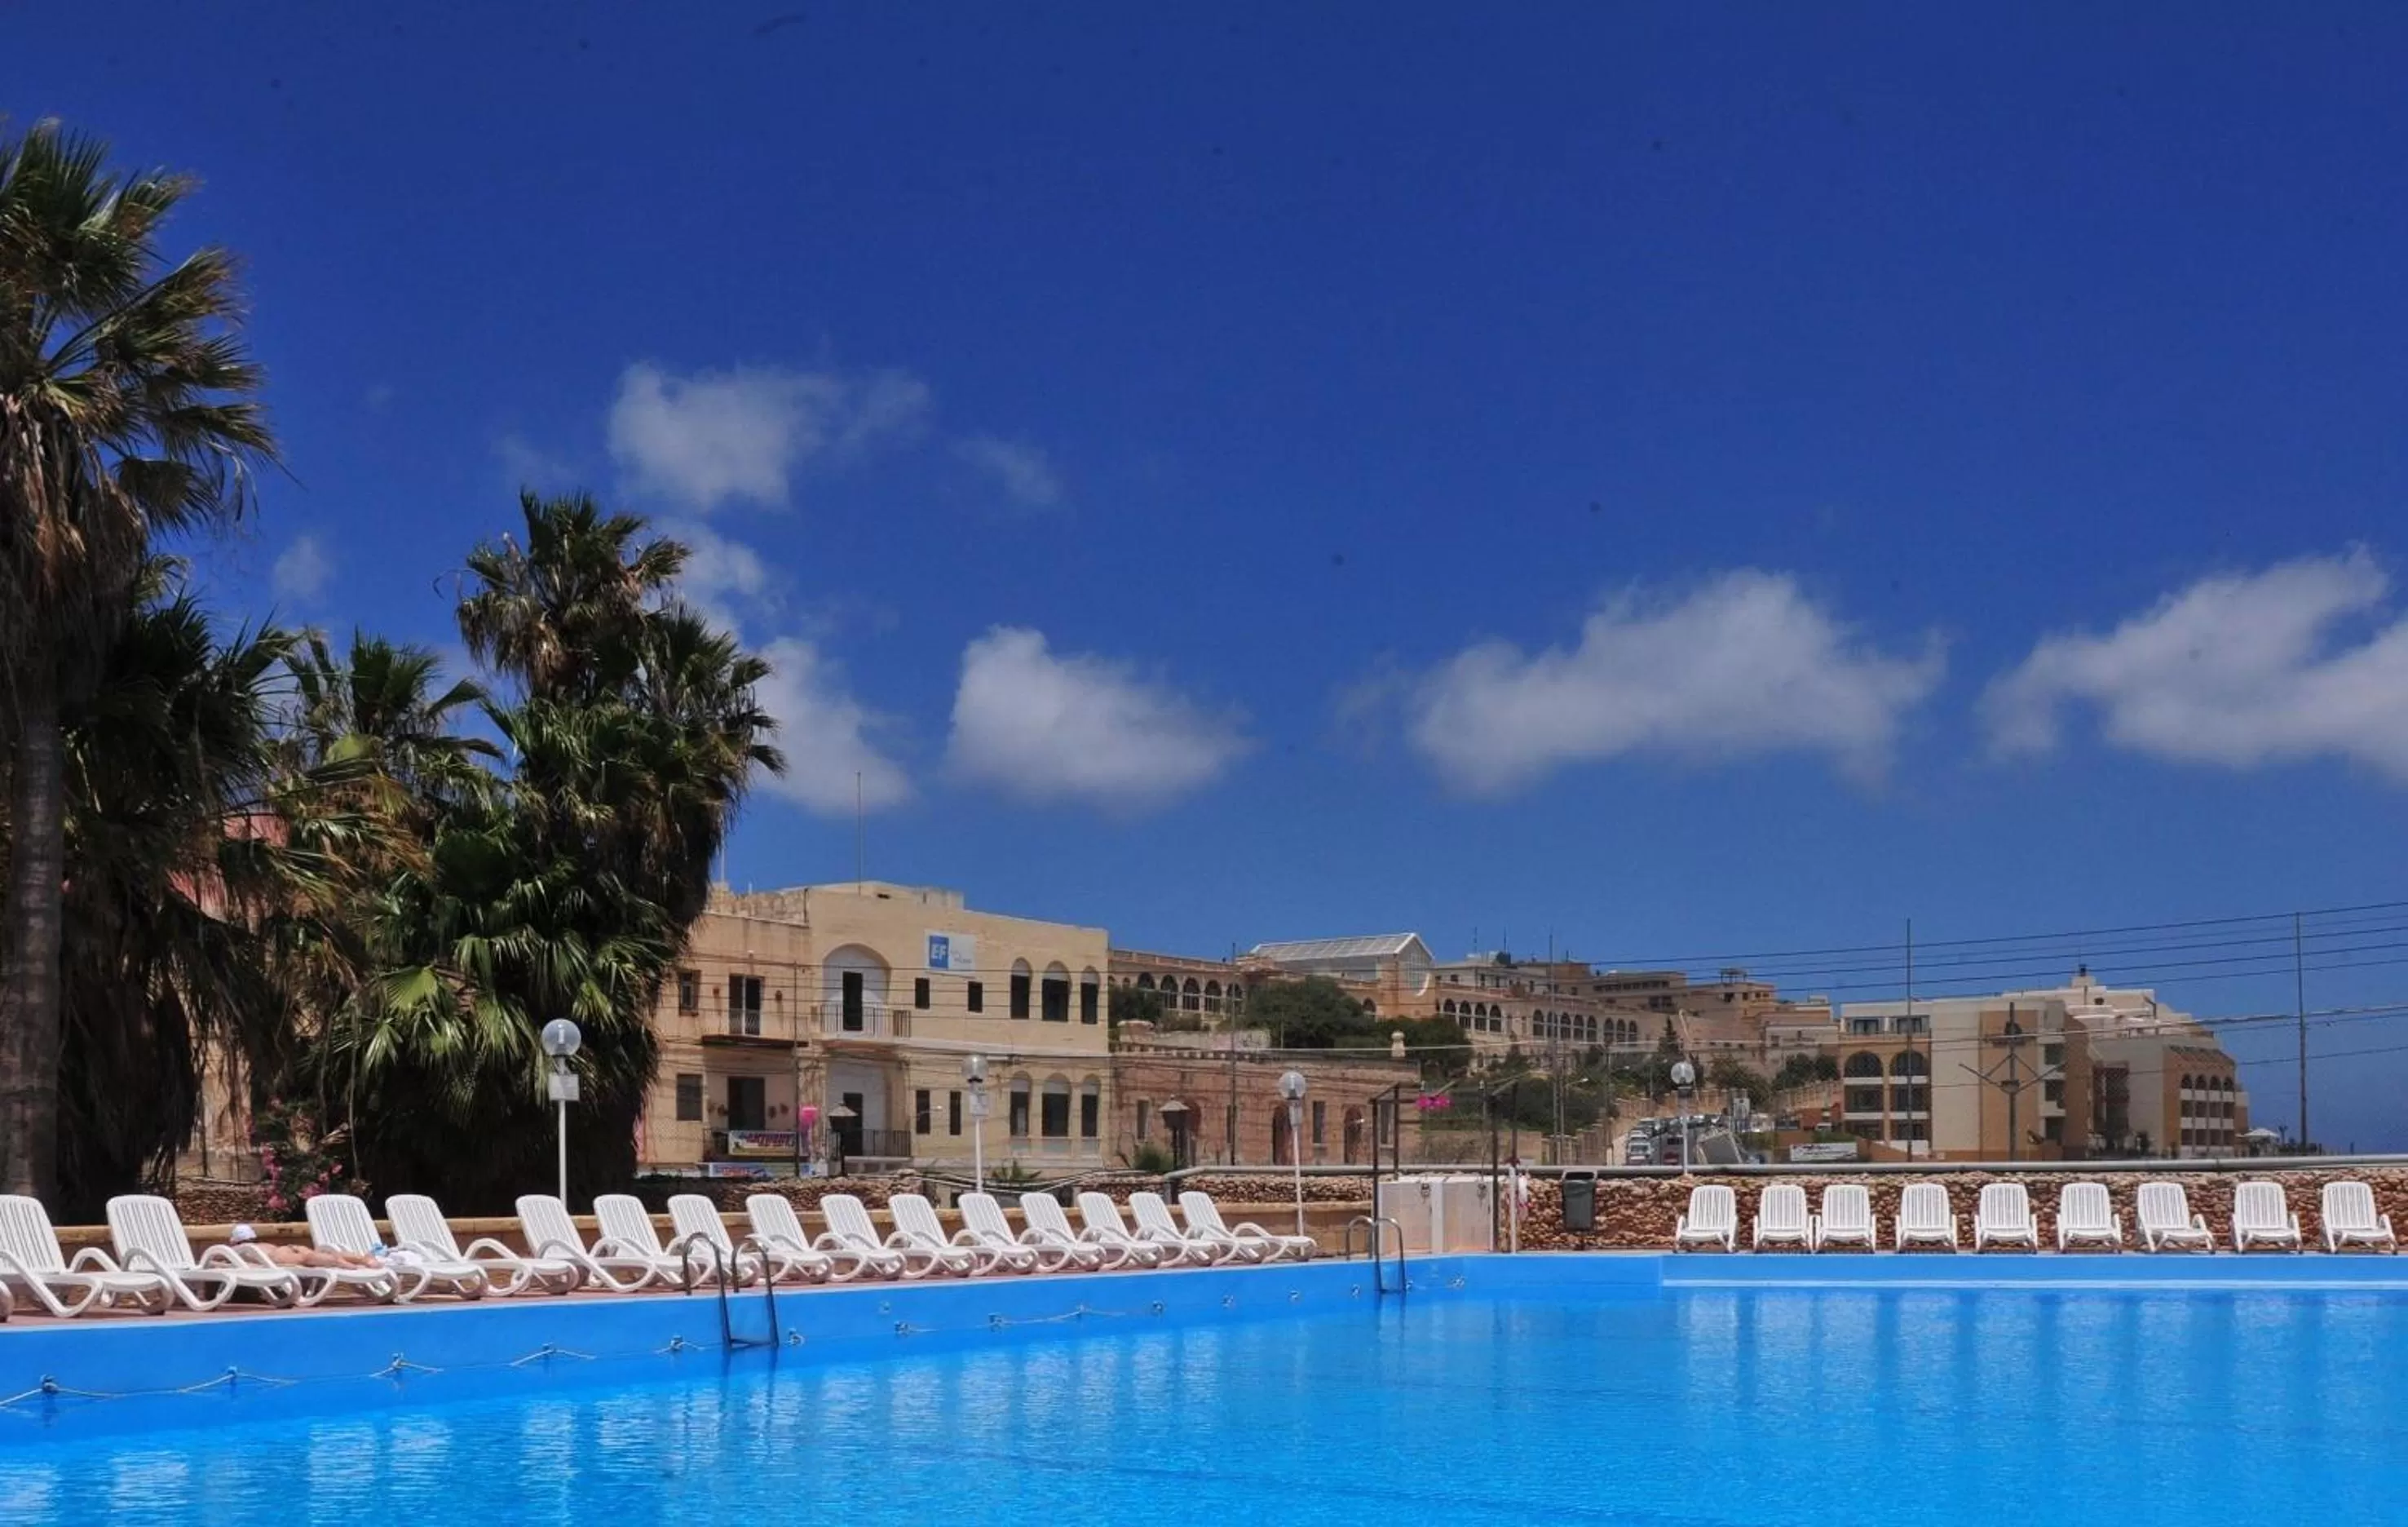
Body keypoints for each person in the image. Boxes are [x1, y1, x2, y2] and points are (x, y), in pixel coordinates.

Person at [227, 1221, 382, 1270]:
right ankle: (363, 1259)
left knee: (308, 1258)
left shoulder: (236, 1250)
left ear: (235, 1240)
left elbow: (216, 1260)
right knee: (313, 1254)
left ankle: (340, 1264)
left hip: (276, 1256)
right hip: (288, 1247)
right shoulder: (262, 1244)